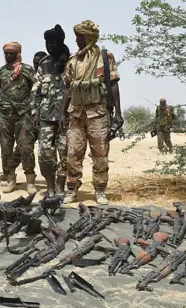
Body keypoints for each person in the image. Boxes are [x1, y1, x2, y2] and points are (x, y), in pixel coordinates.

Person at [62, 20, 123, 205]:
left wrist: (118, 113)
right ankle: (72, 190)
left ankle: (100, 190)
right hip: (76, 115)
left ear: (88, 37)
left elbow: (113, 84)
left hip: (98, 114)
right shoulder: (73, 60)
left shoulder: (105, 57)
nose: (76, 40)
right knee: (72, 155)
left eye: (80, 37)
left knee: (100, 155)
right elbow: (67, 88)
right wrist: (61, 113)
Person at [0, 42, 36, 194]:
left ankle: (30, 181)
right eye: (6, 53)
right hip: (4, 117)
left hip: (23, 115)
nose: (8, 56)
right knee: (5, 148)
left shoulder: (27, 70)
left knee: (26, 147)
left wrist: (31, 106)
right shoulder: (0, 73)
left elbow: (35, 89)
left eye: (12, 53)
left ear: (18, 54)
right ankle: (11, 179)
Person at [33, 24, 70, 197]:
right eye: (48, 42)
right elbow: (36, 91)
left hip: (67, 117)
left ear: (61, 42)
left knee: (64, 152)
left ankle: (61, 187)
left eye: (53, 42)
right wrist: (35, 113)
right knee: (45, 153)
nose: (50, 46)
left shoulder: (71, 61)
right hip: (46, 116)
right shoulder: (44, 63)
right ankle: (50, 186)